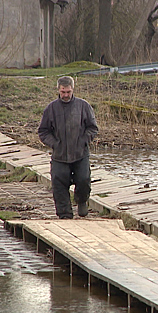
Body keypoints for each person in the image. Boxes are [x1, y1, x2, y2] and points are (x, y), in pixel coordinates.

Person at [38, 76, 98, 219]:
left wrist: (83, 141)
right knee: (59, 183)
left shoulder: (83, 106)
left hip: (80, 153)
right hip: (60, 154)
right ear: (58, 90)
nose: (65, 95)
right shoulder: (51, 109)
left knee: (84, 179)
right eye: (63, 92)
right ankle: (65, 214)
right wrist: (54, 144)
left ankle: (82, 200)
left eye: (68, 92)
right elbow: (43, 131)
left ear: (73, 90)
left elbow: (93, 128)